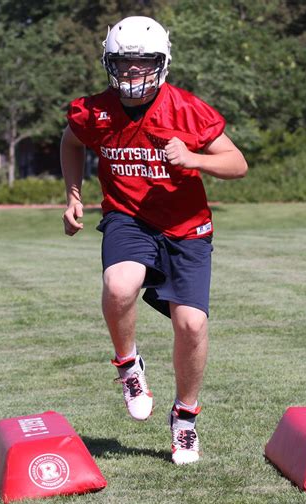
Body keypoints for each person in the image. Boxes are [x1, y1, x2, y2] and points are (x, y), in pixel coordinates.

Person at [61, 16, 247, 465]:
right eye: (123, 65)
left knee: (192, 326)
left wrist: (195, 158)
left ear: (161, 64)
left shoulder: (186, 109)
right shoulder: (94, 110)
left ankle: (184, 417)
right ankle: (128, 366)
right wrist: (72, 195)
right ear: (110, 64)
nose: (132, 74)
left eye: (142, 64)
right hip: (129, 217)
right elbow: (71, 141)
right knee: (120, 286)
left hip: (187, 228)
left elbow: (237, 163)